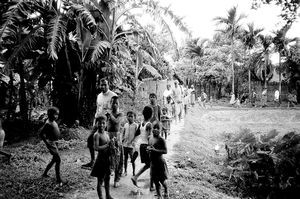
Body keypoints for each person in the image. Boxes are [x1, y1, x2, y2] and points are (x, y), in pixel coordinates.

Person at [82, 79, 117, 169]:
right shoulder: (99, 96)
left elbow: (116, 111)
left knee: (109, 143)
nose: (103, 87)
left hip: (108, 123)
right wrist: (95, 121)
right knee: (90, 139)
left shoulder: (113, 95)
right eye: (101, 85)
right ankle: (92, 161)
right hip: (98, 122)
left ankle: (110, 164)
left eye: (105, 85)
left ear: (108, 84)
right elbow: (98, 110)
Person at [90, 115, 114, 199]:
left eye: (103, 123)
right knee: (100, 181)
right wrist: (107, 145)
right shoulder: (97, 135)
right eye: (99, 123)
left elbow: (109, 145)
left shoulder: (106, 133)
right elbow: (96, 148)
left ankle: (108, 195)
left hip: (107, 160)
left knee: (107, 178)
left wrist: (112, 146)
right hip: (100, 160)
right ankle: (101, 197)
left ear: (106, 123)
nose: (101, 125)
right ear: (96, 124)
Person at [40, 107, 63, 185]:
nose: (56, 116)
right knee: (58, 160)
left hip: (55, 142)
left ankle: (45, 173)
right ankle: (59, 179)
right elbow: (41, 134)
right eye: (55, 114)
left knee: (54, 159)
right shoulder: (48, 123)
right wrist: (47, 143)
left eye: (57, 115)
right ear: (49, 114)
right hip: (51, 143)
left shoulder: (53, 121)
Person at [131, 106, 153, 188]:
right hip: (147, 146)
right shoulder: (149, 124)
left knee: (148, 165)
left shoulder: (141, 124)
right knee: (151, 165)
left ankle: (136, 177)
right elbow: (149, 137)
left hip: (141, 146)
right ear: (151, 115)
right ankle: (151, 185)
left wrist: (132, 141)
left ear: (143, 114)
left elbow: (136, 133)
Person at [148, 121, 169, 199]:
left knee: (162, 181)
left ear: (160, 130)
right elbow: (149, 147)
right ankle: (159, 196)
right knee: (156, 181)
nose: (156, 130)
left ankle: (166, 189)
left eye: (158, 128)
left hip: (160, 163)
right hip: (153, 163)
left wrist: (155, 150)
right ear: (152, 129)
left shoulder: (161, 140)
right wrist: (148, 150)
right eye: (154, 128)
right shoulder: (150, 138)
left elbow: (165, 151)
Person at [106, 96, 123, 188]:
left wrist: (110, 115)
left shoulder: (120, 114)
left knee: (118, 157)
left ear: (119, 104)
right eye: (113, 103)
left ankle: (117, 178)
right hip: (109, 136)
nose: (115, 105)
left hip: (117, 137)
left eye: (117, 103)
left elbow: (116, 121)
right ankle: (107, 177)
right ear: (110, 104)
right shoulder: (107, 114)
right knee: (108, 157)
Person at [122, 111, 138, 176]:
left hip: (131, 145)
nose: (130, 118)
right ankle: (125, 171)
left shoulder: (136, 125)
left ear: (134, 117)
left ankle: (134, 172)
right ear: (127, 117)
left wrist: (134, 141)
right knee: (125, 158)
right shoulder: (125, 125)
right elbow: (123, 133)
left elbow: (137, 135)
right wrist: (122, 139)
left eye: (132, 116)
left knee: (132, 159)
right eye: (129, 116)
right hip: (125, 144)